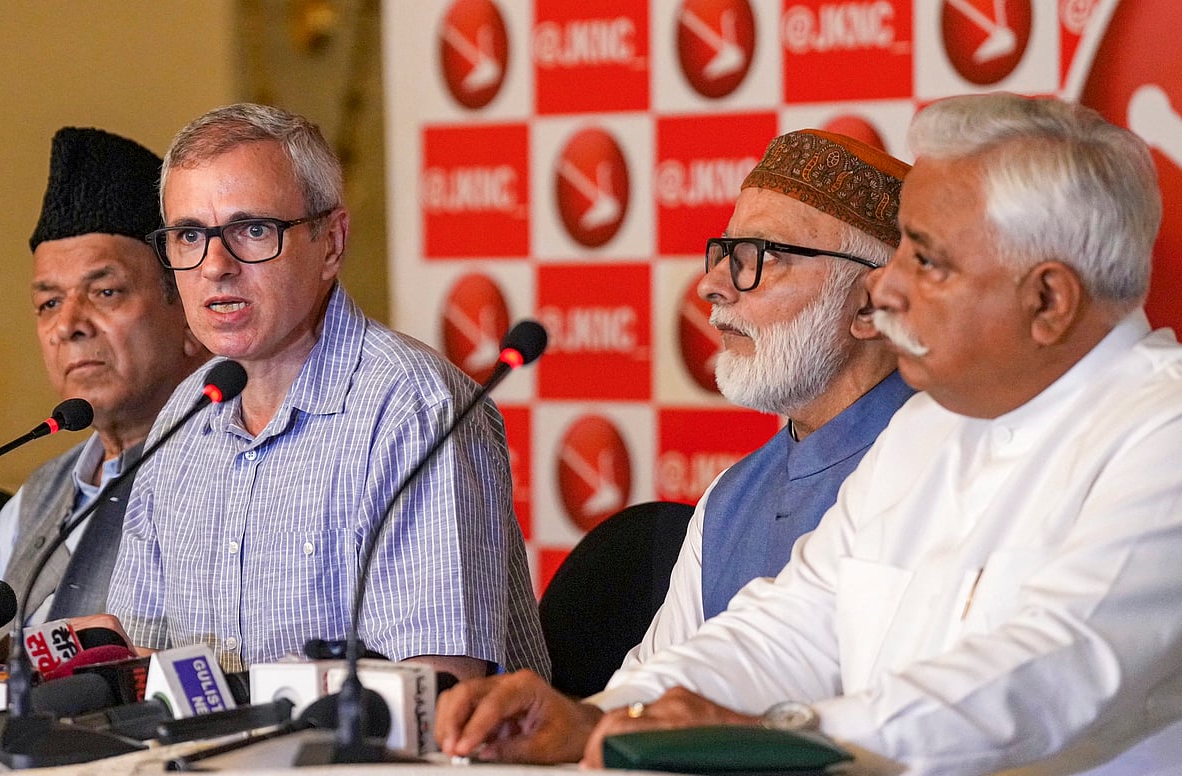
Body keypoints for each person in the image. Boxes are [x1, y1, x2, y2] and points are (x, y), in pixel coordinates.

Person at [436, 92, 1182, 774]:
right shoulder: (929, 427)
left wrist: (774, 734)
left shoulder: (1161, 433)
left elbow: (1047, 669)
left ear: (1047, 298)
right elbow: (791, 626)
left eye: (924, 260)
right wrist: (603, 717)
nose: (887, 287)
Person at [105, 103, 549, 681]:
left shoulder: (415, 408)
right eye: (189, 235)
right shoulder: (186, 417)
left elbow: (437, 689)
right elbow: (140, 665)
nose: (215, 266)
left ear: (331, 242)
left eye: (253, 230)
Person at [622, 130, 913, 670]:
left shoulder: (944, 465)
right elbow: (657, 687)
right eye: (726, 251)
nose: (712, 285)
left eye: (762, 256)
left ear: (872, 305)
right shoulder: (728, 499)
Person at [0, 127, 207, 626]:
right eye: (49, 303)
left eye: (105, 293)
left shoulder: (233, 477)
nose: (68, 325)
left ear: (190, 313)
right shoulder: (30, 503)